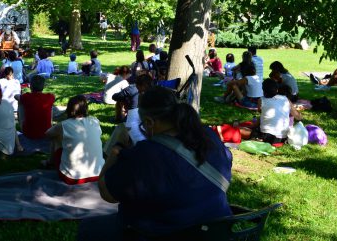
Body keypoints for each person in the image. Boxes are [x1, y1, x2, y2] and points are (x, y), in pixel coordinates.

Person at [77, 86, 232, 241]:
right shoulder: (209, 135)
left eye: (143, 125)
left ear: (150, 122)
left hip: (166, 232)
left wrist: (116, 149)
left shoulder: (146, 154)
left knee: (88, 228)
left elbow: (107, 193)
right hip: (216, 231)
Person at [45, 95, 105, 184]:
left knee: (56, 137)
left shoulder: (64, 125)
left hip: (72, 178)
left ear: (69, 109)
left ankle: (49, 162)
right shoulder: (95, 121)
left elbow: (48, 134)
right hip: (99, 173)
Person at [240, 79, 302, 145]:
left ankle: (258, 138)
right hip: (283, 137)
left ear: (263, 90)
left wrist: (252, 126)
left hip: (266, 136)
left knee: (240, 130)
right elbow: (298, 117)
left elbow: (263, 114)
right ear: (277, 90)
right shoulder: (285, 99)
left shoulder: (261, 100)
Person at [112, 74, 154, 144]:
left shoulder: (134, 90)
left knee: (121, 131)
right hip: (143, 124)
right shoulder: (154, 92)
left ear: (143, 86)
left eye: (141, 91)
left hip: (147, 133)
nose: (140, 94)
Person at [16, 75, 55, 140]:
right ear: (43, 86)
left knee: (20, 102)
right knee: (50, 105)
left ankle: (22, 124)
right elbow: (54, 96)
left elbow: (16, 96)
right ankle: (50, 124)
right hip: (46, 132)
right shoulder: (50, 97)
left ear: (30, 86)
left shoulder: (26, 97)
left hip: (28, 133)